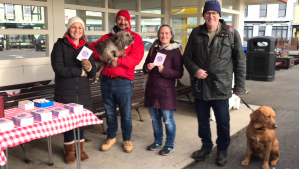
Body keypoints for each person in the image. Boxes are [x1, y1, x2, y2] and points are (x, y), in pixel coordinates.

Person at [182, 0, 246, 166]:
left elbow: (240, 62)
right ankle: (206, 146)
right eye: (208, 13)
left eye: (214, 13)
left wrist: (239, 87)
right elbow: (186, 56)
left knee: (223, 121)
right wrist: (195, 70)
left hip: (220, 86)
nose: (211, 16)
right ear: (204, 15)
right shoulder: (196, 32)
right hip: (200, 86)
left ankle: (222, 149)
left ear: (219, 15)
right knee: (203, 121)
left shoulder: (231, 34)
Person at [89, 10, 144, 153]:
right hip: (107, 81)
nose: (122, 22)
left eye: (125, 19)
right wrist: (100, 58)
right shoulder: (107, 37)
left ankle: (126, 139)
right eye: (119, 19)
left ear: (129, 21)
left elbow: (136, 58)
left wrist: (118, 62)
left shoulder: (135, 38)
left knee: (125, 113)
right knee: (110, 112)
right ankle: (111, 137)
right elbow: (91, 48)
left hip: (124, 82)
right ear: (116, 21)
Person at [51, 16, 96, 164]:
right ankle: (69, 150)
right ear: (68, 29)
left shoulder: (87, 48)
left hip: (82, 91)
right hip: (65, 90)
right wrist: (80, 72)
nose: (76, 30)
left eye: (80, 28)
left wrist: (89, 68)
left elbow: (93, 71)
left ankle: (80, 149)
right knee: (68, 121)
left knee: (80, 120)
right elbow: (58, 69)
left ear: (83, 31)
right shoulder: (60, 46)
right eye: (73, 27)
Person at [143, 24, 183, 156]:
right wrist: (148, 67)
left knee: (168, 120)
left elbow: (179, 73)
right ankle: (158, 141)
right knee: (155, 119)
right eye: (161, 33)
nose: (164, 36)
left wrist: (163, 70)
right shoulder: (153, 50)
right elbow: (144, 68)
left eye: (166, 33)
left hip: (166, 92)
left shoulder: (175, 51)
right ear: (158, 35)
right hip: (152, 90)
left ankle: (170, 144)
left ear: (171, 35)